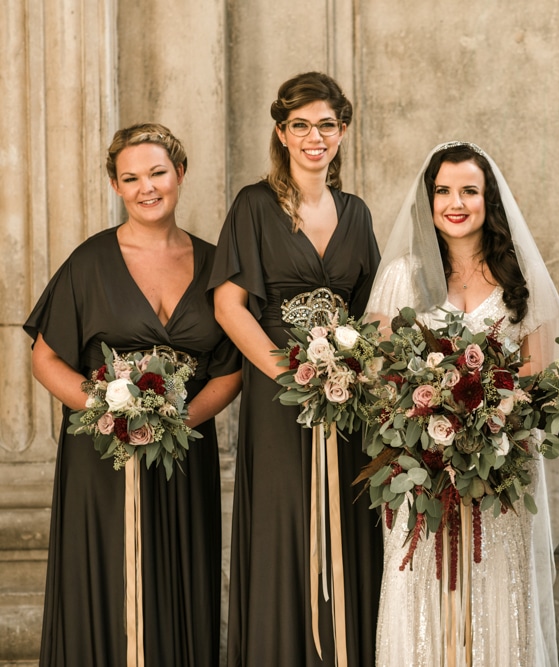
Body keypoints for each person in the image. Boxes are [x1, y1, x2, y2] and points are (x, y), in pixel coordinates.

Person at [24, 123, 242, 667]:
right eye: (131, 177)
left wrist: (176, 420)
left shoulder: (219, 264)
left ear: (181, 175)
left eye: (158, 173)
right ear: (117, 187)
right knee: (107, 579)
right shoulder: (90, 261)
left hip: (182, 457)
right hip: (102, 455)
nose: (147, 187)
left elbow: (231, 369)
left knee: (181, 575)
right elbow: (45, 359)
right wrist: (109, 413)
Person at [365, 142, 559, 666]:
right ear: (428, 201)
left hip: (498, 476)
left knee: (498, 591)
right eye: (444, 191)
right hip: (422, 473)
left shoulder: (517, 282)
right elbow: (381, 376)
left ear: (489, 200)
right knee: (419, 594)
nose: (456, 202)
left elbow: (540, 377)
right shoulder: (402, 278)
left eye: (469, 191)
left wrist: (485, 423)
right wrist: (430, 421)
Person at [210, 72, 382, 666]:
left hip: (348, 396)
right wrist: (291, 374)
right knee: (287, 522)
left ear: (342, 132)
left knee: (349, 518)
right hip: (281, 397)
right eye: (302, 125)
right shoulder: (254, 206)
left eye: (327, 125)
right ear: (282, 133)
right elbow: (229, 305)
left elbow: (373, 312)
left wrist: (352, 374)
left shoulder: (357, 214)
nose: (315, 137)